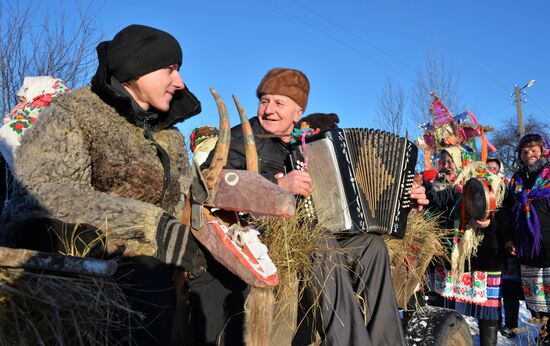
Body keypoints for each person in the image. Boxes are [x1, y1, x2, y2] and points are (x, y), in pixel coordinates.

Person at [0, 24, 203, 345]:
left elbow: (183, 202)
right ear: (138, 68)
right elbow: (45, 192)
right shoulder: (73, 113)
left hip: (155, 289)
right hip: (86, 292)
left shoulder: (170, 136)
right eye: (170, 69)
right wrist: (151, 227)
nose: (179, 82)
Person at [201, 67, 429, 345]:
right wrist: (278, 187)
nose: (269, 110)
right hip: (262, 239)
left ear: (298, 113)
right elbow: (211, 186)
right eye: (264, 101)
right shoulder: (242, 138)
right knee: (320, 243)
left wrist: (406, 200)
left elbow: (355, 196)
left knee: (372, 247)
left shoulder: (312, 144)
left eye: (279, 103)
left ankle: (388, 341)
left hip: (322, 232)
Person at [426, 146, 506, 346]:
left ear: (462, 160)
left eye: (449, 161)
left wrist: (490, 223)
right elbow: (430, 216)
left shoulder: (485, 181)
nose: (445, 165)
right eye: (442, 161)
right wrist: (430, 237)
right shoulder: (437, 186)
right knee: (445, 308)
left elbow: (505, 213)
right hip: (448, 257)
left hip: (481, 255)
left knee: (486, 309)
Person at [500, 133, 550, 343]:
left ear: (542, 150)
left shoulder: (548, 176)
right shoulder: (516, 180)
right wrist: (509, 240)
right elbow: (508, 212)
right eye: (525, 151)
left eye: (533, 149)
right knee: (535, 295)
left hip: (548, 242)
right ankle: (544, 330)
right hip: (526, 246)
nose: (529, 154)